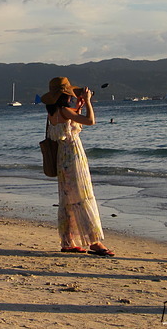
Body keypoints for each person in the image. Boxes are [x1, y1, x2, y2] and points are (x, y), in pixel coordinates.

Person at [41, 77, 114, 257]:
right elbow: (90, 121)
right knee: (82, 195)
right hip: (73, 156)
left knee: (68, 200)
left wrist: (80, 105)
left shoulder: (54, 112)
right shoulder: (65, 111)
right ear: (65, 95)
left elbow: (71, 121)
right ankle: (94, 242)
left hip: (61, 159)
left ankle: (68, 241)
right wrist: (88, 102)